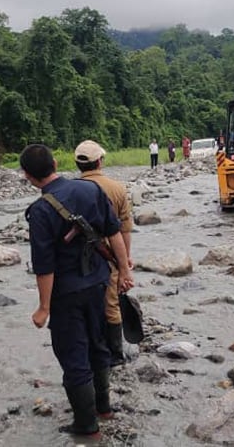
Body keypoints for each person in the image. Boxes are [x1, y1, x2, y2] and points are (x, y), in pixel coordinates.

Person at [21, 144, 134, 439]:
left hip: (66, 295)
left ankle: (86, 426)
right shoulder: (90, 191)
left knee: (74, 357)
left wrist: (43, 308)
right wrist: (124, 270)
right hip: (98, 283)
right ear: (56, 163)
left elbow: (44, 266)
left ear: (28, 176)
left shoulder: (41, 211)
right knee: (98, 346)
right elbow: (114, 232)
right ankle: (104, 408)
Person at [73, 140, 133, 366]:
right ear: (100, 161)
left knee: (86, 305)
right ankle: (116, 355)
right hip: (109, 254)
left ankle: (91, 351)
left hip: (80, 259)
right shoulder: (117, 188)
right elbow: (124, 229)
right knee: (112, 303)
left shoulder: (72, 191)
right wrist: (125, 261)